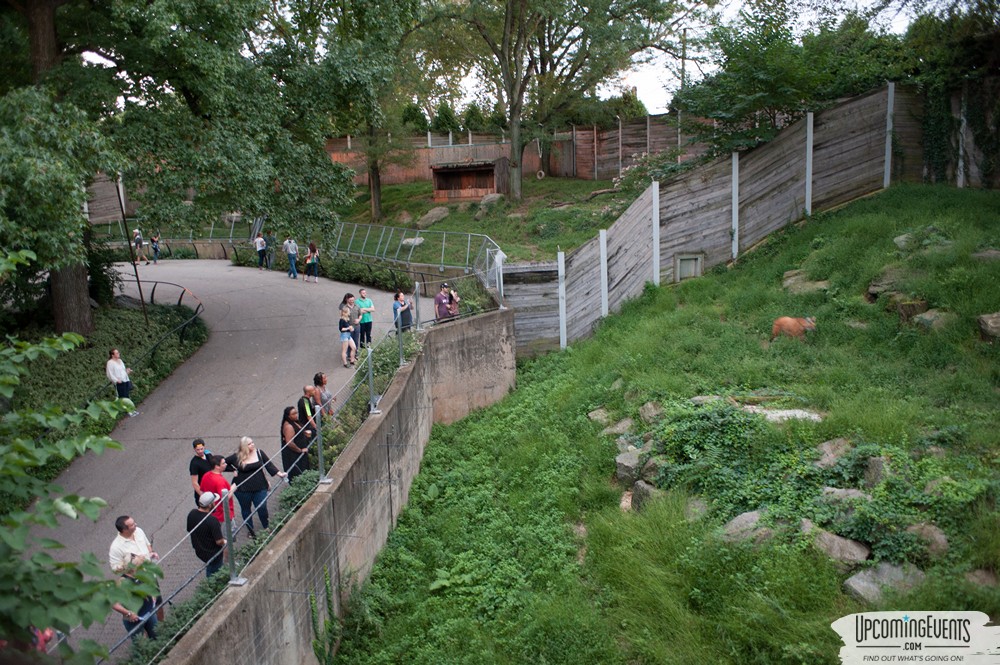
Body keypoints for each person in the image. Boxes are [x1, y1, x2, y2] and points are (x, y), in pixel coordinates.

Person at [225, 436, 286, 538]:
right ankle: (251, 530)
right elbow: (222, 463)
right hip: (242, 489)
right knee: (246, 509)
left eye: (252, 442)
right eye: (249, 444)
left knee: (262, 506)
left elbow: (268, 464)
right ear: (244, 446)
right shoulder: (236, 457)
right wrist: (233, 470)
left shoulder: (259, 453)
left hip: (260, 486)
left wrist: (279, 474)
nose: (252, 444)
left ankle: (266, 527)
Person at [187, 492, 226, 577]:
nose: (215, 504)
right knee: (213, 571)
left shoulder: (192, 514)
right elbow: (219, 541)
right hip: (214, 553)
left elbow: (189, 529)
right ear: (209, 505)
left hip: (200, 550)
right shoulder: (212, 520)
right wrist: (225, 541)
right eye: (214, 502)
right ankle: (212, 586)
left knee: (212, 566)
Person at [199, 455, 235, 525]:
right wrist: (233, 489)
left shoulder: (206, 475)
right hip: (224, 515)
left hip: (212, 513)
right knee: (230, 534)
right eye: (223, 463)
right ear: (217, 466)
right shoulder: (220, 481)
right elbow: (225, 498)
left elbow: (202, 491)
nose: (226, 464)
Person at [280, 406, 311, 482]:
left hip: (301, 451)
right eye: (293, 414)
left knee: (304, 468)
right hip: (293, 454)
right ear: (288, 416)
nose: (296, 415)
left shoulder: (295, 422)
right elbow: (289, 442)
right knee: (298, 472)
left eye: (296, 413)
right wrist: (300, 450)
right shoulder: (288, 426)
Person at [106, 348, 138, 417]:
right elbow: (109, 374)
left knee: (127, 395)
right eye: (116, 353)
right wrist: (116, 380)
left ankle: (131, 410)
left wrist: (127, 371)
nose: (118, 354)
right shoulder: (110, 363)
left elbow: (122, 370)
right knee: (123, 397)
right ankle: (128, 411)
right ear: (112, 355)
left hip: (125, 379)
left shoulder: (120, 361)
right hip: (119, 382)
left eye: (118, 352)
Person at [189, 438, 214, 506]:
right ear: (194, 449)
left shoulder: (208, 455)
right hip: (204, 492)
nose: (200, 451)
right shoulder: (194, 463)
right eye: (198, 449)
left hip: (212, 490)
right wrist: (203, 496)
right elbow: (194, 483)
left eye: (201, 449)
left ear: (204, 447)